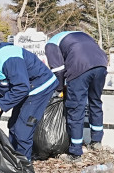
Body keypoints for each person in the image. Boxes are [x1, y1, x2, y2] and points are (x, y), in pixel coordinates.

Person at [0, 42, 58, 160]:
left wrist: (0, 105)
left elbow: (21, 87)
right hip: (26, 89)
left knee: (23, 130)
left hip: (40, 86)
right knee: (13, 125)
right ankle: (12, 161)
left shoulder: (8, 58)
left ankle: (23, 168)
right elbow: (0, 91)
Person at [45, 30, 109, 160]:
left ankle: (75, 151)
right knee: (95, 101)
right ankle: (96, 142)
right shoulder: (82, 34)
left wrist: (59, 89)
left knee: (76, 108)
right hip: (101, 64)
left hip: (79, 67)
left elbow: (58, 70)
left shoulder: (51, 44)